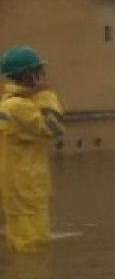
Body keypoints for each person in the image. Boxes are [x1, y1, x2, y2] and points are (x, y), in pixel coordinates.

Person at [0, 46, 64, 253]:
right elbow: (54, 129)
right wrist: (47, 96)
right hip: (28, 192)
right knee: (35, 252)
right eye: (38, 72)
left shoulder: (8, 105)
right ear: (29, 74)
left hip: (16, 193)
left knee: (19, 247)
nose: (41, 78)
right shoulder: (20, 107)